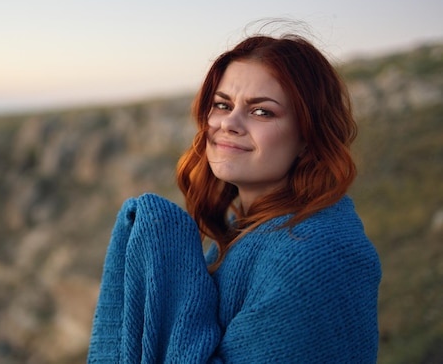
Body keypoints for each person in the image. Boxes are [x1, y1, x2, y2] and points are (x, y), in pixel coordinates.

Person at [88, 32, 381, 363]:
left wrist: (165, 249)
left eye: (261, 112)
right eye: (222, 105)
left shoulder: (314, 255)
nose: (229, 123)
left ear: (308, 138)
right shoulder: (242, 228)